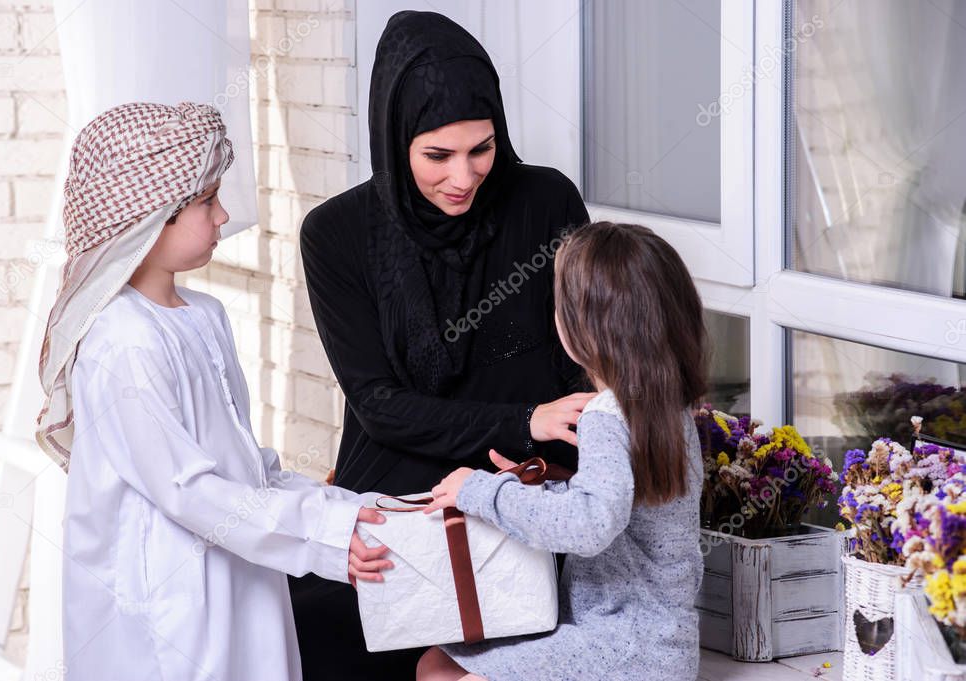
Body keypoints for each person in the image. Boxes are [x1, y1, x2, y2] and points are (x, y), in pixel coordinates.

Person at [35, 102, 391, 681]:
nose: (224, 215)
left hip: (239, 574)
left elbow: (245, 467)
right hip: (170, 607)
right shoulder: (122, 342)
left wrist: (357, 511)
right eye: (206, 201)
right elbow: (189, 490)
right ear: (150, 217)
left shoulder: (203, 314)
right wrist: (323, 535)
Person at [289, 10, 595, 679]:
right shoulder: (335, 234)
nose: (463, 176)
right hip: (401, 502)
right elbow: (378, 404)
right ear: (394, 138)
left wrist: (573, 437)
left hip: (526, 493)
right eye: (437, 155)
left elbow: (586, 359)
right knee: (316, 624)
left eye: (480, 149)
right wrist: (523, 419)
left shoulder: (545, 202)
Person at [418, 222, 707, 681]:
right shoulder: (664, 404)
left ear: (582, 329)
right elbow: (623, 504)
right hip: (659, 642)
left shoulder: (607, 414)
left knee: (440, 672)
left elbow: (592, 526)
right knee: (438, 660)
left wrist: (477, 492)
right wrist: (551, 487)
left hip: (618, 645)